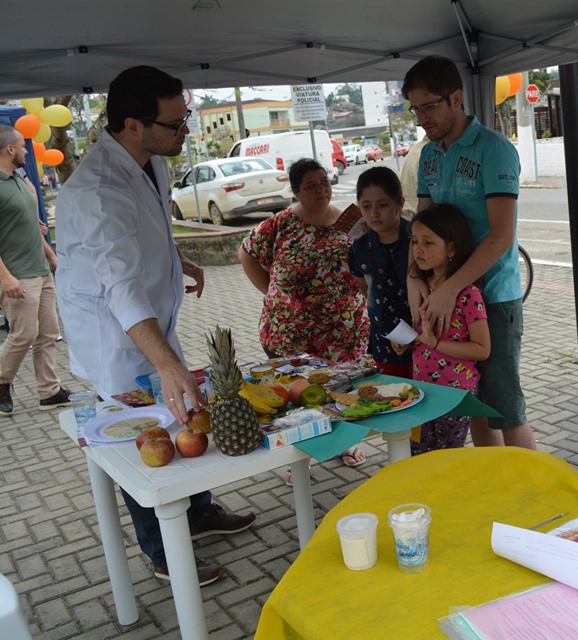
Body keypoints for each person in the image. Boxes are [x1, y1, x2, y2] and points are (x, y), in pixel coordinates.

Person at [55, 66, 255, 587]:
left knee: (178, 411)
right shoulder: (98, 189)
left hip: (147, 316)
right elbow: (119, 287)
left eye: (184, 118)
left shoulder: (149, 161)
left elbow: (147, 233)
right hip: (114, 332)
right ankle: (159, 544)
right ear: (132, 123)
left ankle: (198, 512)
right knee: (139, 435)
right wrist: (167, 362)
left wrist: (174, 262)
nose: (184, 131)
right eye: (174, 124)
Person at [402, 54, 536, 450]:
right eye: (416, 109)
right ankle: (493, 490)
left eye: (430, 106)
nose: (423, 117)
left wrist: (448, 290)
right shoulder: (428, 154)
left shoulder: (494, 150)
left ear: (456, 98)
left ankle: (538, 497)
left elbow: (500, 237)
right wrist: (416, 281)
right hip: (446, 295)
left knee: (505, 409)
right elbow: (421, 229)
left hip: (491, 297)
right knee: (472, 405)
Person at [239, 157, 369, 467]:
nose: (321, 190)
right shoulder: (281, 223)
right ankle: (298, 459)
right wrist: (271, 293)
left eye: (324, 182)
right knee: (294, 397)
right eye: (311, 185)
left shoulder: (351, 220)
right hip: (289, 335)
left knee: (341, 392)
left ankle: (344, 444)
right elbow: (246, 253)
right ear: (296, 190)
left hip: (343, 335)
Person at [392, 203, 489, 455]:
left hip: (454, 394)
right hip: (422, 391)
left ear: (452, 248)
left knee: (447, 456)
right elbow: (423, 336)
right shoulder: (421, 287)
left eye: (428, 242)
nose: (418, 250)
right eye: (414, 242)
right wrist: (407, 341)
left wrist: (436, 344)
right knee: (418, 453)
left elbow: (482, 349)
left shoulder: (469, 294)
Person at [0, 125, 71, 416]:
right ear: (9, 149)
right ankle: (1, 382)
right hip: (17, 274)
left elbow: (32, 224)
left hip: (40, 269)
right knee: (24, 334)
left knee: (48, 332)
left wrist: (52, 257)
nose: (26, 151)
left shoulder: (20, 181)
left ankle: (49, 391)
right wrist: (5, 278)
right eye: (22, 146)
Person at [348, 166, 413, 378]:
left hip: (423, 338)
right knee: (395, 397)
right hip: (384, 341)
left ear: (400, 203)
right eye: (366, 206)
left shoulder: (418, 238)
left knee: (428, 398)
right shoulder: (360, 248)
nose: (374, 213)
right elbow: (363, 288)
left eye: (383, 205)